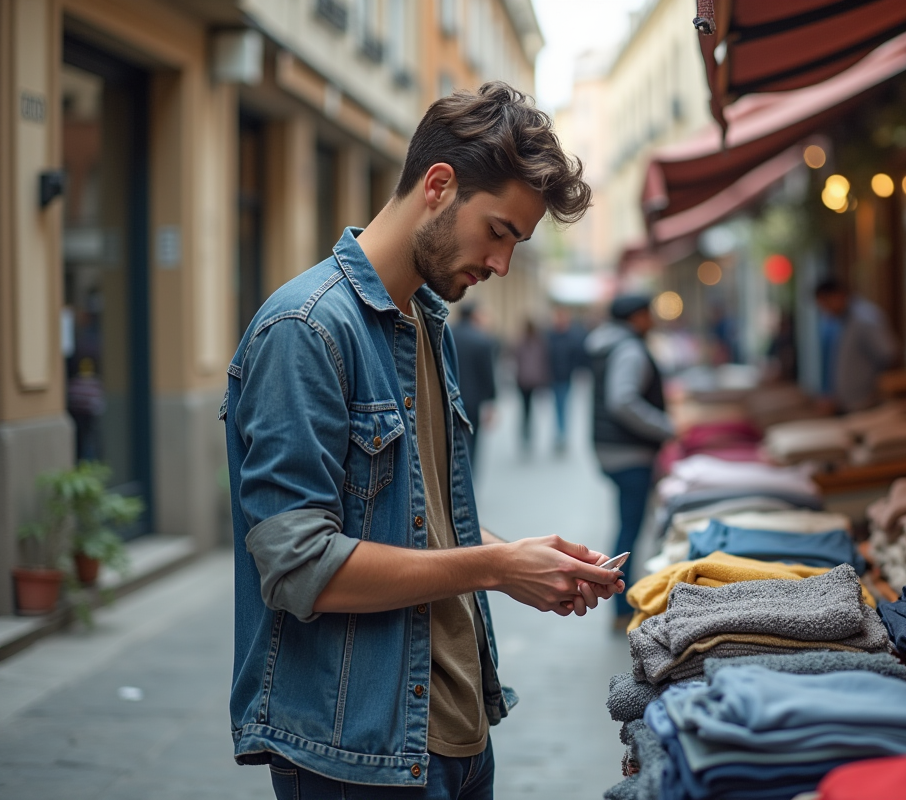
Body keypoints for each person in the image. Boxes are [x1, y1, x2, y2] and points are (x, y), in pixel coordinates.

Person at [221, 82, 624, 799]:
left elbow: (420, 519)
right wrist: (497, 567)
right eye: (499, 231)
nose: (501, 265)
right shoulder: (306, 330)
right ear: (439, 185)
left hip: (457, 735)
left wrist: (529, 562)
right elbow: (298, 567)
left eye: (517, 244)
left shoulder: (423, 324)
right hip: (361, 755)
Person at [586, 294, 675, 629]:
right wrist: (667, 427)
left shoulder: (606, 344)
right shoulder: (629, 349)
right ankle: (621, 607)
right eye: (648, 313)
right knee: (630, 529)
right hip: (629, 452)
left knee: (629, 525)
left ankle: (623, 602)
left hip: (611, 448)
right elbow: (623, 401)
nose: (652, 319)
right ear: (637, 316)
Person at [814, 278, 899, 412]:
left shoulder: (864, 319)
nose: (825, 310)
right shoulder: (841, 321)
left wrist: (875, 392)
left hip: (866, 405)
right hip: (846, 404)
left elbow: (888, 355)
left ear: (838, 295)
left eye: (825, 303)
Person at [448, 304, 497, 465]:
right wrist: (491, 401)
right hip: (473, 400)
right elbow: (487, 374)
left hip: (448, 397)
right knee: (473, 441)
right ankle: (469, 476)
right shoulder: (481, 339)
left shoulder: (447, 334)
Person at [545, 306, 587, 453]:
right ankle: (560, 434)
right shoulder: (550, 335)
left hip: (566, 376)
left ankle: (561, 435)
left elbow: (579, 354)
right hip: (553, 376)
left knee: (562, 405)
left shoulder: (573, 335)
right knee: (558, 405)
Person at [512, 319, 550, 453]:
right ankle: (528, 433)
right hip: (534, 380)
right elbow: (543, 361)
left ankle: (525, 432)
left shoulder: (520, 342)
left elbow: (516, 359)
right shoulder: (539, 342)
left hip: (523, 380)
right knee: (530, 408)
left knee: (525, 408)